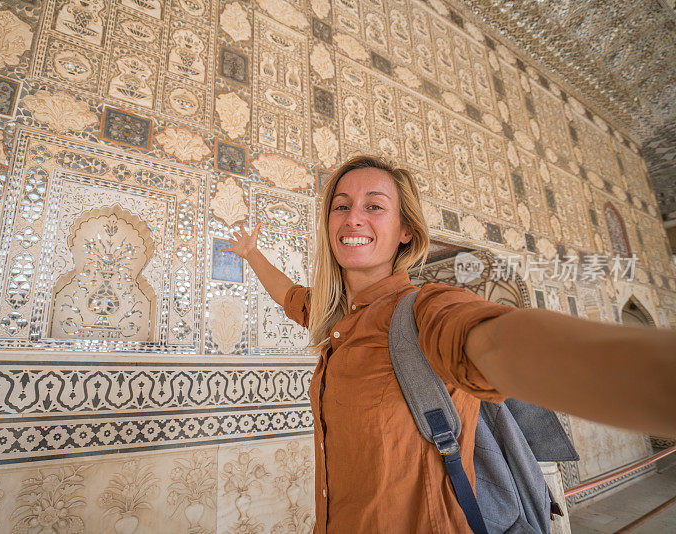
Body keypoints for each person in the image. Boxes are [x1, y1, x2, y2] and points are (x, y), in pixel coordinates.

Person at [223, 155, 676, 533]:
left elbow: (495, 341)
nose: (353, 217)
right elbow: (288, 295)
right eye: (340, 206)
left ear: (406, 230)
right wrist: (251, 255)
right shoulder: (335, 318)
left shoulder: (426, 311)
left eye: (374, 206)